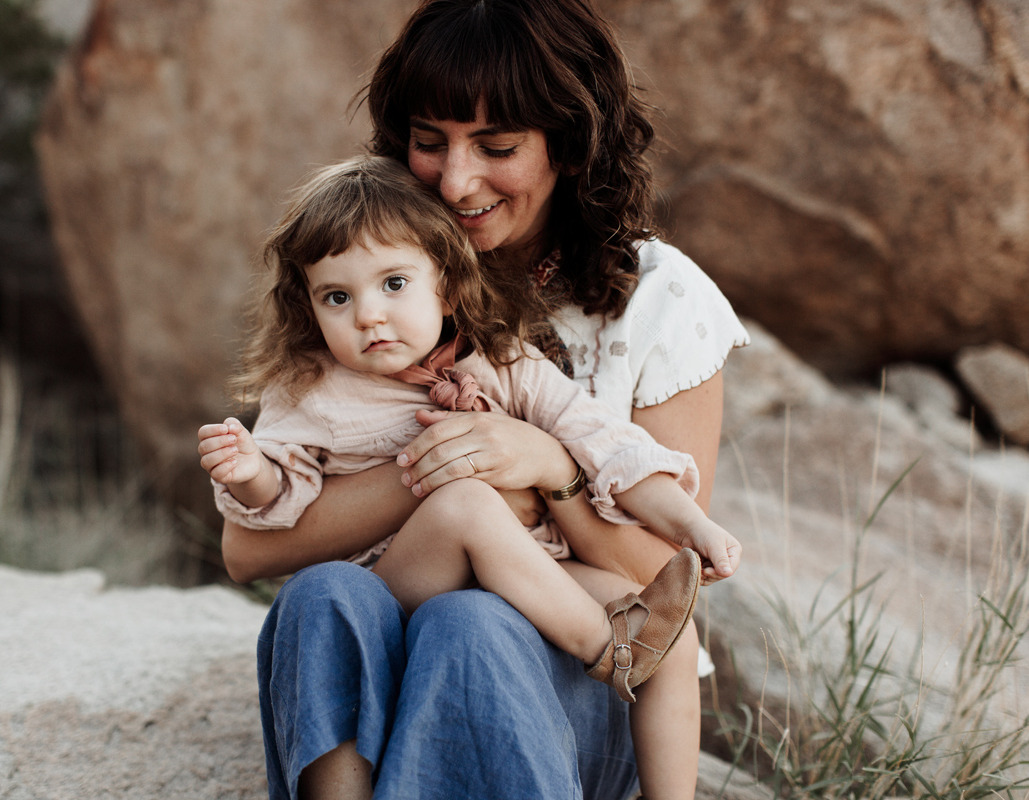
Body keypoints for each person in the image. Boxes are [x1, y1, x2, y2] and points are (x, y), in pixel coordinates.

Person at [215, 1, 750, 798]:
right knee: (326, 593)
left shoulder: (660, 300)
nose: (457, 181)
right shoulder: (374, 270)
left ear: (569, 144)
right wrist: (446, 473)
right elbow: (250, 551)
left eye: (497, 147)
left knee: (469, 626)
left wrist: (546, 471)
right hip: (400, 646)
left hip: (573, 688)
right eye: (429, 143)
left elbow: (665, 574)